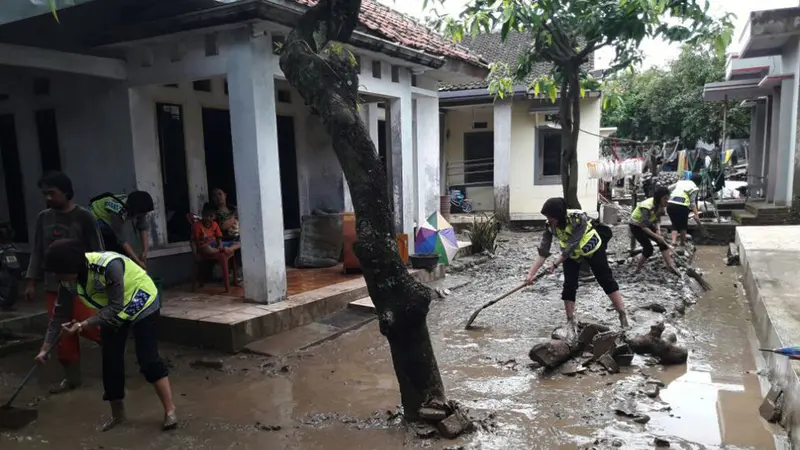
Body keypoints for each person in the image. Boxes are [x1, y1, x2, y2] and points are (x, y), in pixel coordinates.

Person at [36, 239, 177, 431]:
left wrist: (83, 325)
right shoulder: (68, 282)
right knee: (110, 360)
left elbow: (116, 306)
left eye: (59, 273)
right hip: (114, 311)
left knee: (148, 359)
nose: (57, 277)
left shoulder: (109, 266)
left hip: (141, 302)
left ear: (73, 266)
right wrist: (45, 349)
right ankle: (118, 416)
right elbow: (59, 315)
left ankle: (170, 411)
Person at [24, 172, 104, 394]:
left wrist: (96, 281)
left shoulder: (84, 217)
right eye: (45, 194)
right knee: (61, 332)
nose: (48, 198)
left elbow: (98, 250)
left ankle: (114, 362)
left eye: (52, 193)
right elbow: (37, 251)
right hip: (53, 285)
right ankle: (72, 378)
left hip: (80, 283)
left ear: (66, 192)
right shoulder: (44, 218)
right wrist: (31, 281)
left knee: (92, 326)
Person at [526, 198, 629, 329]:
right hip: (571, 256)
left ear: (559, 215)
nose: (548, 220)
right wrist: (530, 274)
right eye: (547, 217)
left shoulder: (578, 218)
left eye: (551, 217)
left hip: (592, 248)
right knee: (569, 285)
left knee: (605, 279)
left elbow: (572, 244)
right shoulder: (549, 226)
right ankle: (570, 321)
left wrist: (555, 264)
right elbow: (543, 252)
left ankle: (622, 313)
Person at [89, 191, 153, 269]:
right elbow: (120, 238)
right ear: (135, 211)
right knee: (114, 251)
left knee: (124, 253)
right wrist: (138, 262)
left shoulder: (137, 206)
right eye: (142, 213)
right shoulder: (119, 210)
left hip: (106, 221)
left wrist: (144, 252)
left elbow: (143, 226)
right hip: (94, 218)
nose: (144, 215)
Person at [629, 186, 678, 274]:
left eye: (668, 198)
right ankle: (637, 269)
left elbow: (657, 219)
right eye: (665, 199)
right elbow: (644, 226)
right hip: (636, 225)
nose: (667, 201)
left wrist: (658, 231)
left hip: (648, 223)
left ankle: (670, 265)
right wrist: (656, 236)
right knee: (648, 248)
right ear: (659, 198)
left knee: (662, 242)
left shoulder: (661, 205)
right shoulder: (647, 206)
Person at [667, 174, 702, 247]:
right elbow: (692, 203)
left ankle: (673, 241)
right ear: (699, 182)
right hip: (682, 206)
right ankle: (682, 242)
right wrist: (696, 214)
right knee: (683, 225)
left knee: (674, 223)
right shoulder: (694, 188)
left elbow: (668, 188)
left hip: (670, 204)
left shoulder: (681, 182)